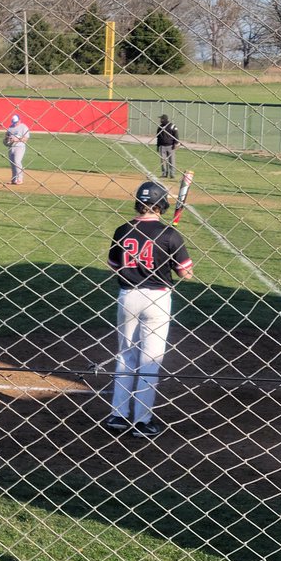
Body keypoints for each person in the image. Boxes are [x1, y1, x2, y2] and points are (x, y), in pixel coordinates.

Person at [104, 180, 194, 438]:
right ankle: (142, 421)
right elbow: (185, 272)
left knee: (125, 356)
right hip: (157, 299)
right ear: (162, 204)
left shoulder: (122, 230)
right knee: (149, 361)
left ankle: (118, 415)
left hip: (127, 296)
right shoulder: (170, 234)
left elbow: (113, 264)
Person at [3, 114, 31, 185]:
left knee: (17, 161)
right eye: (14, 122)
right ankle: (13, 179)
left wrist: (16, 139)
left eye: (16, 122)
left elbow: (26, 138)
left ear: (19, 120)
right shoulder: (10, 127)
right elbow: (6, 136)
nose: (15, 124)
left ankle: (19, 179)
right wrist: (7, 139)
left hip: (19, 147)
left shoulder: (23, 127)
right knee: (12, 163)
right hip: (11, 147)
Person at [155, 114, 180, 178]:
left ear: (163, 119)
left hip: (170, 146)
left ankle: (172, 174)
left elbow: (176, 135)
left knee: (171, 160)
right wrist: (158, 146)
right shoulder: (160, 127)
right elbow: (158, 137)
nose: (160, 120)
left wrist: (176, 143)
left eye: (161, 119)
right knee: (163, 161)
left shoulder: (172, 126)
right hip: (162, 146)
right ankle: (164, 173)